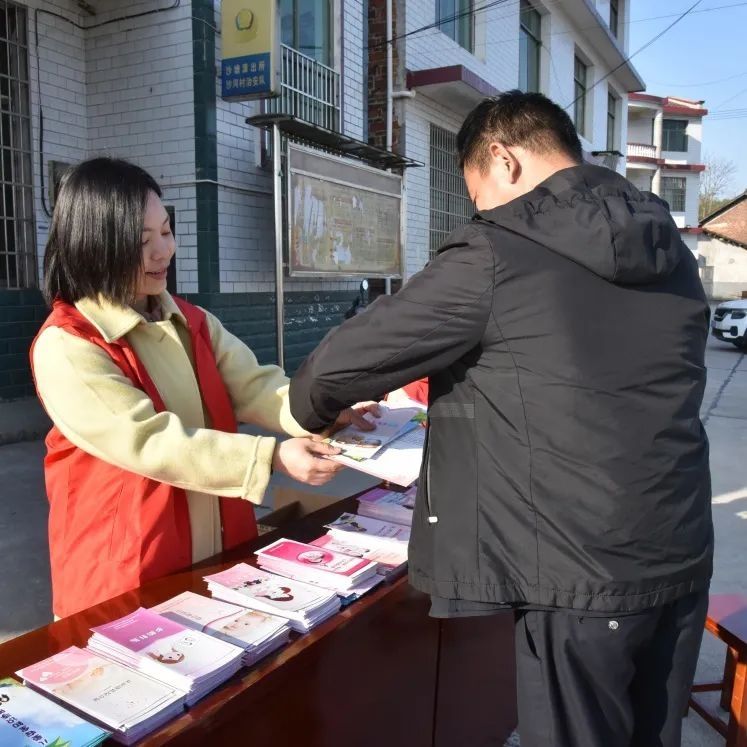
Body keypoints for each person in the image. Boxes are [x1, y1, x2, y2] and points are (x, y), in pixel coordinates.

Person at [289, 91, 712, 747]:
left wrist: (306, 409)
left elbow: (339, 366)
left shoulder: (497, 252)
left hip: (577, 575)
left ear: (501, 158)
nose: (480, 210)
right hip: (678, 553)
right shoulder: (669, 249)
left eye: (475, 193)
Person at [31, 157, 376, 619]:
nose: (163, 252)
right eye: (141, 241)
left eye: (167, 231)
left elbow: (255, 386)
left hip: (216, 543)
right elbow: (151, 442)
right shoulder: (70, 344)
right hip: (127, 565)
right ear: (96, 245)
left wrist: (326, 411)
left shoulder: (192, 322)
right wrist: (270, 457)